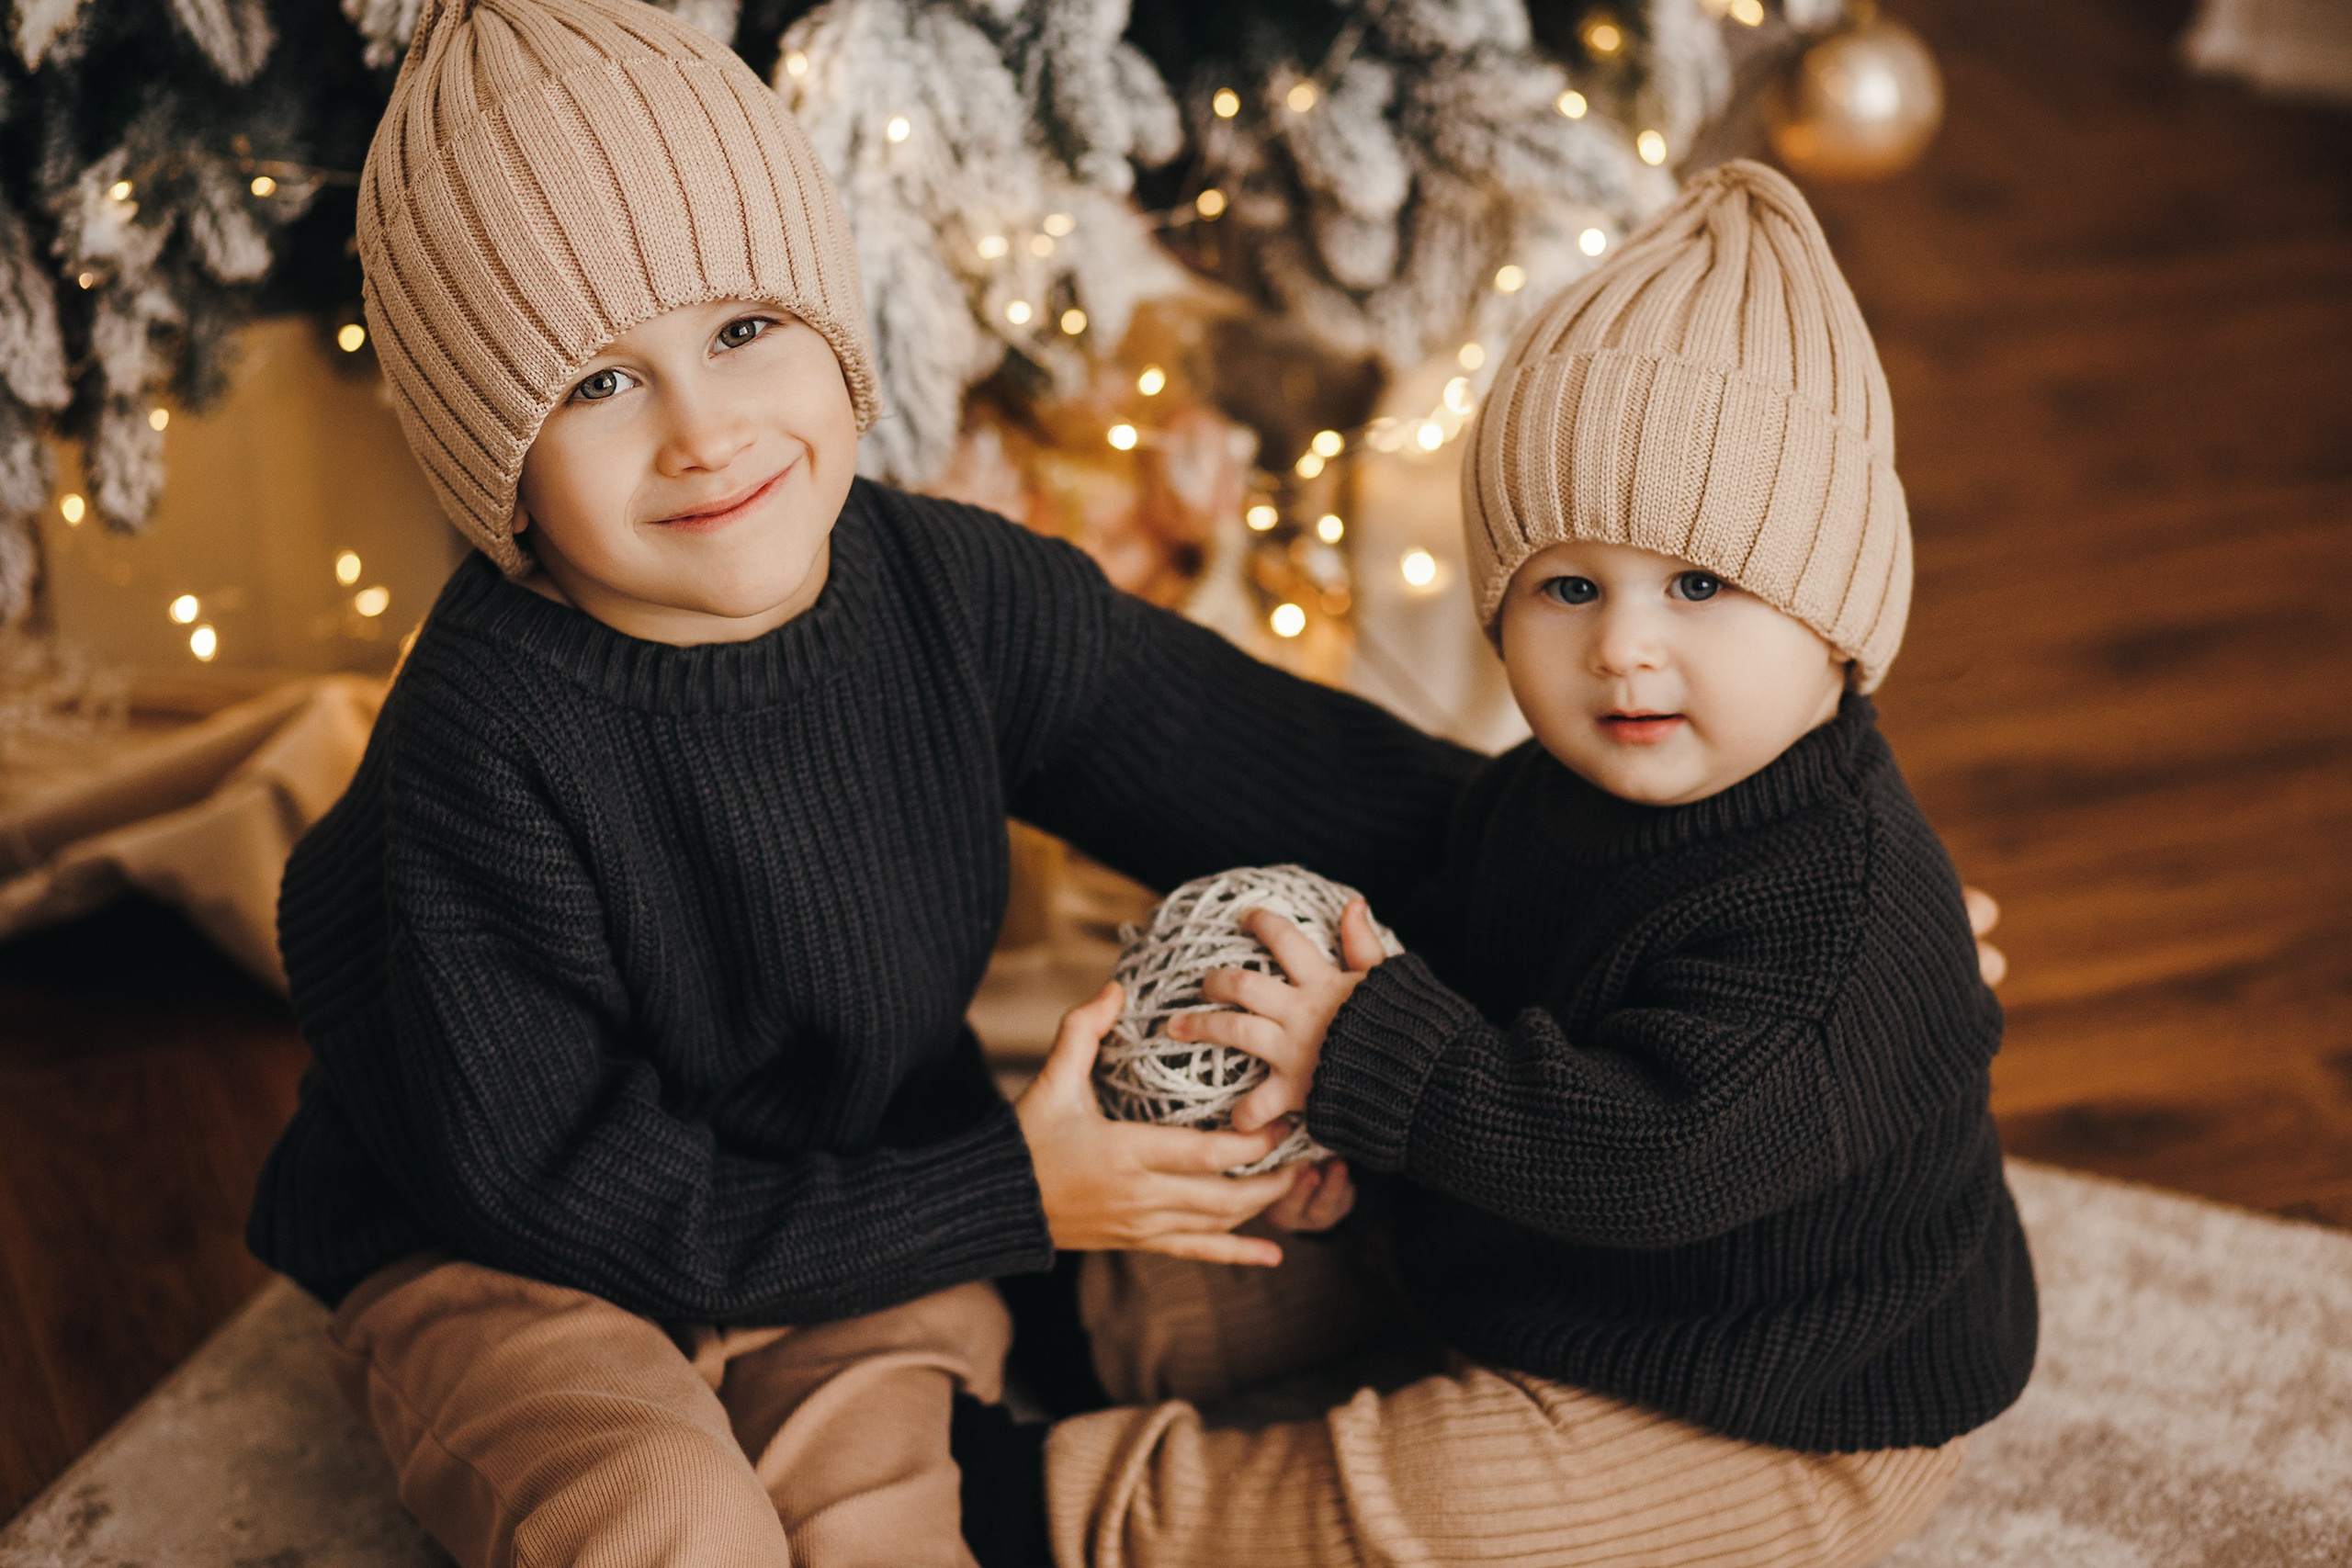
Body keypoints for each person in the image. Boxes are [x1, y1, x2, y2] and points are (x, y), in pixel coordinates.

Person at [242, 0, 1476, 1563]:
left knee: (883, 1524)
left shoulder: (948, 594)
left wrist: (1632, 874)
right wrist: (1009, 1200)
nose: (705, 431)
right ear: (493, 455)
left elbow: (1311, 778)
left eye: (743, 331)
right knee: (664, 1522)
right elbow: (566, 1189)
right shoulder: (480, 749)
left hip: (859, 1190)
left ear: (831, 327)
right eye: (598, 386)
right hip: (511, 1253)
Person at [1036, 161, 2039, 1568]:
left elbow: (1655, 1162)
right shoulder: (1545, 794)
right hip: (1545, 1243)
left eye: (1698, 584)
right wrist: (1351, 1143)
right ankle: (1057, 1328)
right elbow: (1474, 976)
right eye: (1569, 587)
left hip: (1785, 1394)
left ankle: (1038, 1507)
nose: (1623, 645)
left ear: (1837, 617)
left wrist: (1373, 1053)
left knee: (1440, 1506)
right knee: (1256, 1242)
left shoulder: (1844, 914)